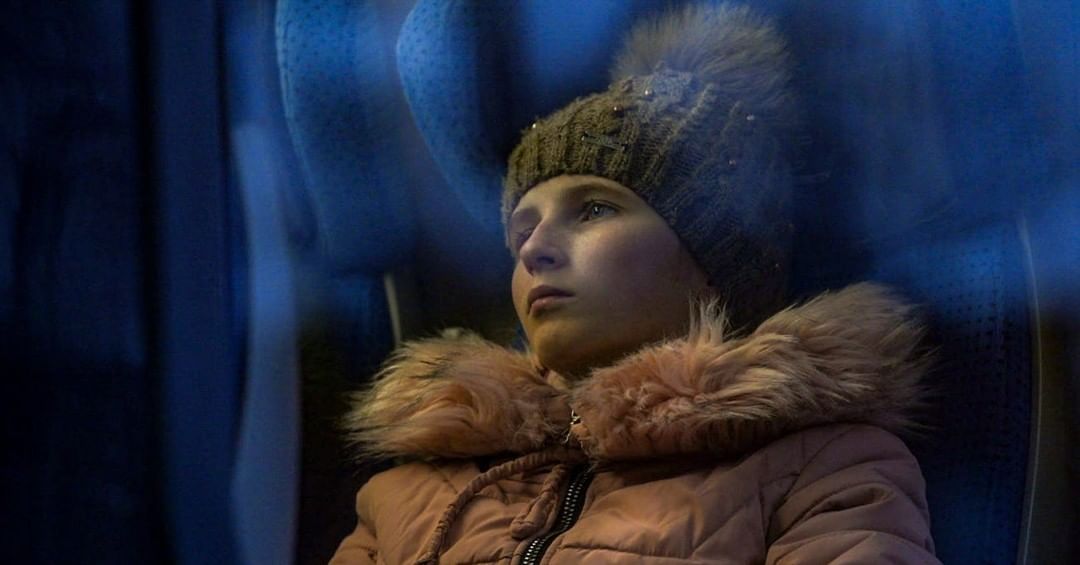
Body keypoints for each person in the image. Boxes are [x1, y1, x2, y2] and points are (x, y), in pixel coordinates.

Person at [331, 3, 939, 563]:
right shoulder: (409, 491)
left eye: (595, 209)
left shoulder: (821, 469)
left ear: (717, 263)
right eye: (522, 231)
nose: (535, 250)